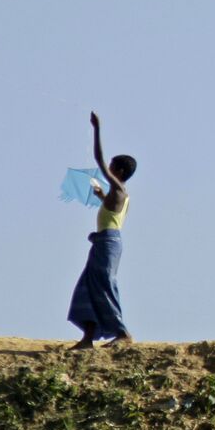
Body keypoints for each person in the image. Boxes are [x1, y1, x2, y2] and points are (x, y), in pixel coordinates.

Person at [69, 112, 137, 349]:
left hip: (108, 242)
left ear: (119, 172)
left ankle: (122, 333)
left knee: (104, 285)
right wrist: (100, 196)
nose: (108, 169)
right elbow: (112, 210)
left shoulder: (119, 188)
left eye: (112, 167)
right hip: (105, 242)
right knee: (89, 285)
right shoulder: (117, 194)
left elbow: (98, 159)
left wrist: (96, 128)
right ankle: (87, 338)